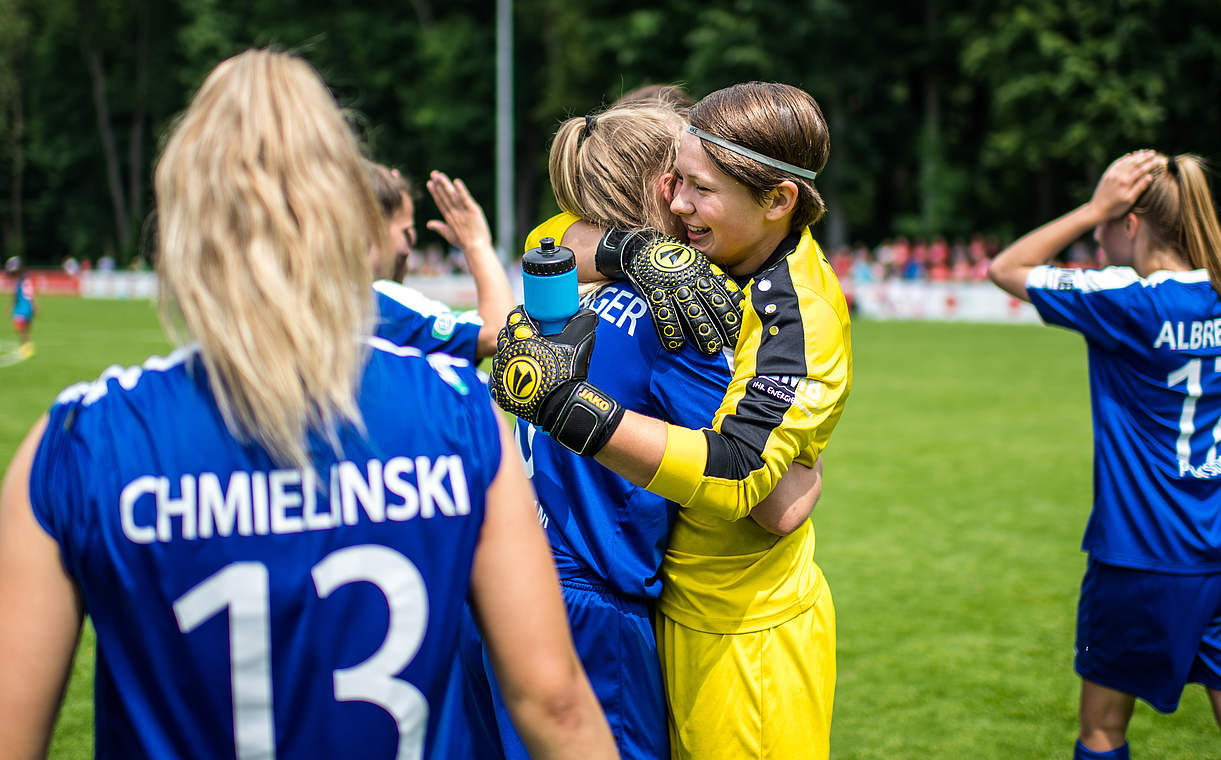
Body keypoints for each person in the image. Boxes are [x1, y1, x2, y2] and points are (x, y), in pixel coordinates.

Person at [0, 49, 617, 760]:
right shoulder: (455, 412)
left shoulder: (79, 441)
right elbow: (555, 705)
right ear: (342, 219)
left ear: (180, 222)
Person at [491, 81, 851, 759]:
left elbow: (758, 488)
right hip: (637, 604)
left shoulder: (785, 313)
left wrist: (573, 408)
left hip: (738, 633)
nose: (684, 203)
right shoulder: (679, 300)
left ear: (777, 200)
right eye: (677, 182)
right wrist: (633, 251)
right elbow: (777, 504)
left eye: (700, 188)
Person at [988, 150, 1221, 760]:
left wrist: (1090, 206)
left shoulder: (1130, 301)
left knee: (1102, 732)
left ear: (1129, 224)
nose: (1096, 238)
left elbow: (1006, 266)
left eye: (1105, 223)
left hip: (1145, 554)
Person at [366, 160, 513, 361]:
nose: (408, 248)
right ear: (373, 226)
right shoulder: (379, 302)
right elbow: (500, 330)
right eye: (406, 232)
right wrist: (477, 244)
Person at [6, 256, 35, 358]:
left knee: (21, 327)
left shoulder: (23, 280)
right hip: (21, 306)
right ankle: (24, 346)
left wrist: (34, 305)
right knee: (22, 327)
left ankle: (28, 347)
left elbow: (30, 292)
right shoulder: (20, 280)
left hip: (24, 306)